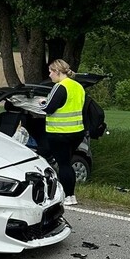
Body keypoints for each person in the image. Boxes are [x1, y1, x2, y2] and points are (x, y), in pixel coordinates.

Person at [41, 59, 86, 206]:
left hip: (60, 132)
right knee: (66, 162)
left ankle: (68, 196)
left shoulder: (60, 87)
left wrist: (41, 102)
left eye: (50, 72)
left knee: (64, 164)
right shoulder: (78, 87)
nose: (49, 75)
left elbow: (49, 108)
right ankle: (71, 196)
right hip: (77, 132)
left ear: (58, 72)